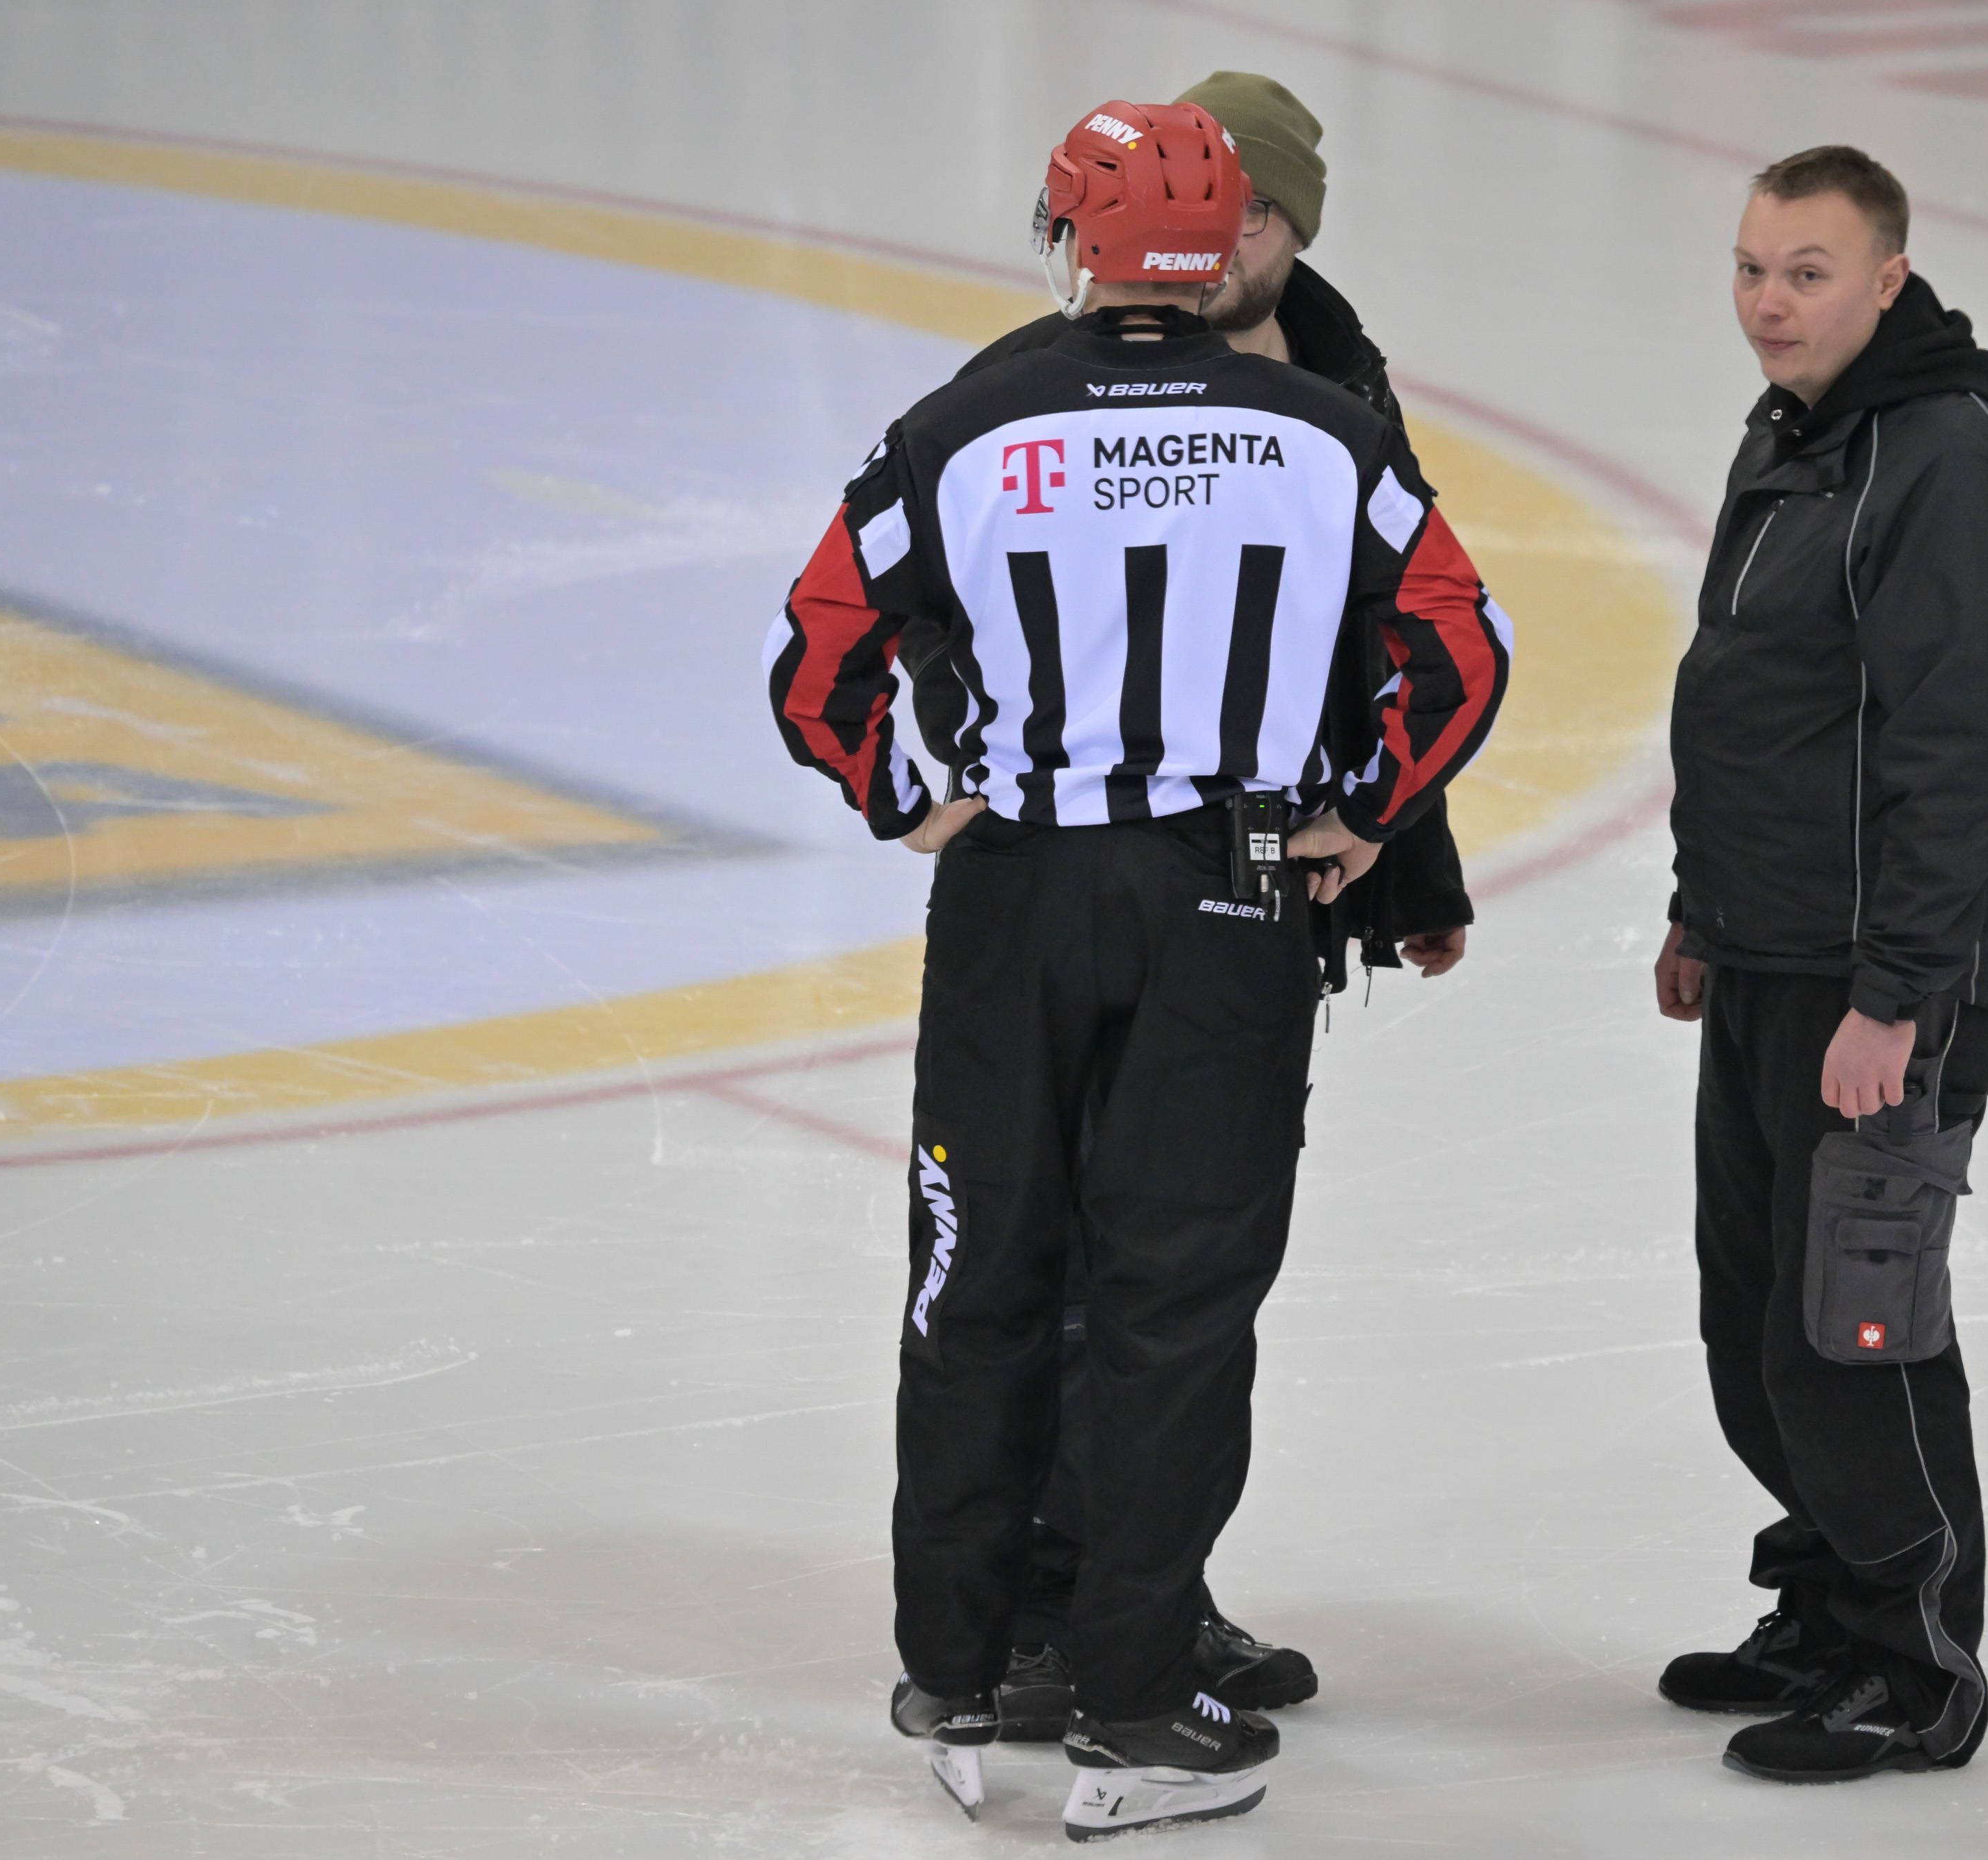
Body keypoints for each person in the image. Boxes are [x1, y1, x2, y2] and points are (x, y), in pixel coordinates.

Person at [768, 99, 1509, 1838]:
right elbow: (1459, 649)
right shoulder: (1324, 432)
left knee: (979, 1280)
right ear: (1221, 236)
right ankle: (1135, 1700)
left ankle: (954, 1670)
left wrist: (905, 796)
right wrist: (1360, 816)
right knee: (1173, 1303)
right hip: (1227, 900)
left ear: (1069, 238)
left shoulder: (965, 423)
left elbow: (818, 651)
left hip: (1014, 897)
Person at [1651, 145, 1988, 1783]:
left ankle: (1913, 1660)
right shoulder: (1794, 432)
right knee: (1755, 1319)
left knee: (1853, 1325)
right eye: (1750, 268)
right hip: (1765, 953)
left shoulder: (1934, 459)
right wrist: (1700, 907)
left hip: (1872, 985)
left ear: (1885, 278)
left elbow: (1955, 748)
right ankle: (1823, 1604)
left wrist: (1895, 995)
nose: (1767, 301)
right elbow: (1746, 691)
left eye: (1805, 273)